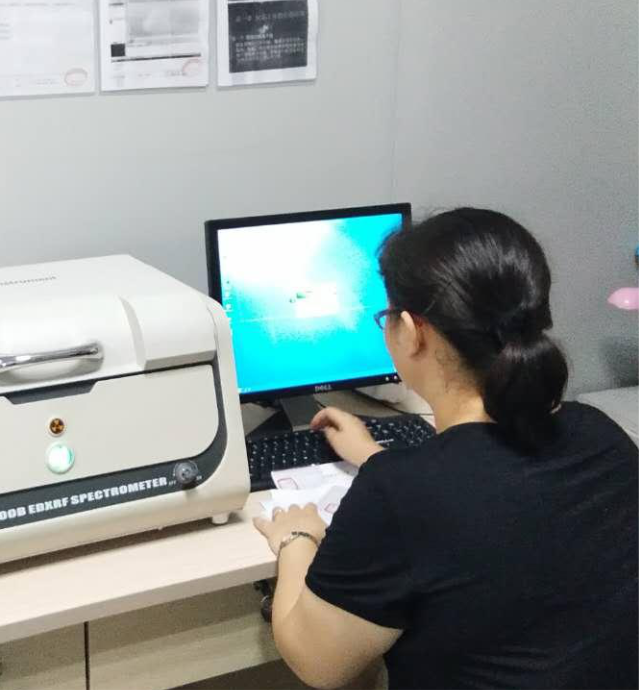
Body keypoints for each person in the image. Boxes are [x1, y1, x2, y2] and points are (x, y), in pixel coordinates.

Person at [254, 208, 639, 690]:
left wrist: (296, 539)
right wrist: (376, 456)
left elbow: (319, 665)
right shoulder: (602, 436)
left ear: (412, 331)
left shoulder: (400, 494)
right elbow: (483, 496)